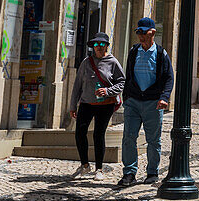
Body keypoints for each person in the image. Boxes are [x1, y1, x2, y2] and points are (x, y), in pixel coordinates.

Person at [118, 17, 173, 187]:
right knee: (128, 137)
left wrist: (164, 98)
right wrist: (126, 96)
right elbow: (129, 75)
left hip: (153, 102)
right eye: (138, 32)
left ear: (153, 33)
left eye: (144, 32)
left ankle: (152, 172)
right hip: (133, 101)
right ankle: (129, 173)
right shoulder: (134, 51)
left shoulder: (161, 54)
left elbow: (169, 77)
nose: (141, 36)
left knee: (153, 140)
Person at [69, 32, 124, 179]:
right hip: (86, 103)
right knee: (80, 132)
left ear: (106, 46)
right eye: (95, 44)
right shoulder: (86, 62)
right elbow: (77, 85)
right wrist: (72, 105)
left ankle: (99, 169)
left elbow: (122, 82)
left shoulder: (113, 62)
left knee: (98, 134)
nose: (98, 47)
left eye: (101, 44)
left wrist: (108, 91)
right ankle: (85, 165)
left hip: (105, 104)